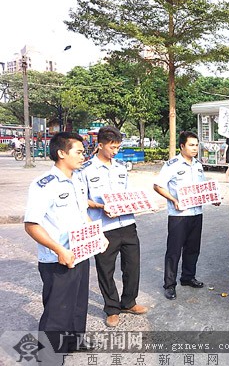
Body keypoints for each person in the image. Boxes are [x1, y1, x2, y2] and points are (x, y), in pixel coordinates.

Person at [23, 132, 108, 355]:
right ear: (62, 153)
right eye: (78, 152)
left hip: (80, 254)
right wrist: (59, 249)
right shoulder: (44, 185)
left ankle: (75, 341)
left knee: (78, 305)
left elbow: (83, 215)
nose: (83, 156)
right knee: (57, 313)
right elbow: (31, 225)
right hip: (58, 259)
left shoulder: (77, 180)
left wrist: (98, 234)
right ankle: (49, 357)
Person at [80, 126, 148, 328]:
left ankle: (129, 302)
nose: (115, 151)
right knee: (106, 269)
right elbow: (81, 199)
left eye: (118, 147)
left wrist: (141, 203)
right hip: (103, 227)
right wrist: (100, 206)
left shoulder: (120, 168)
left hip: (127, 223)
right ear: (100, 145)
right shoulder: (86, 170)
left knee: (132, 266)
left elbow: (127, 195)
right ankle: (111, 308)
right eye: (112, 147)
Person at [154, 131, 220, 300]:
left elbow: (202, 187)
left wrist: (213, 198)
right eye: (191, 145)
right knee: (174, 250)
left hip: (196, 213)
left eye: (196, 145)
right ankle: (169, 285)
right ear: (182, 146)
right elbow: (158, 186)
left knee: (193, 248)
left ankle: (188, 277)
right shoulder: (173, 165)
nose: (195, 148)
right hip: (179, 215)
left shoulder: (197, 164)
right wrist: (173, 199)